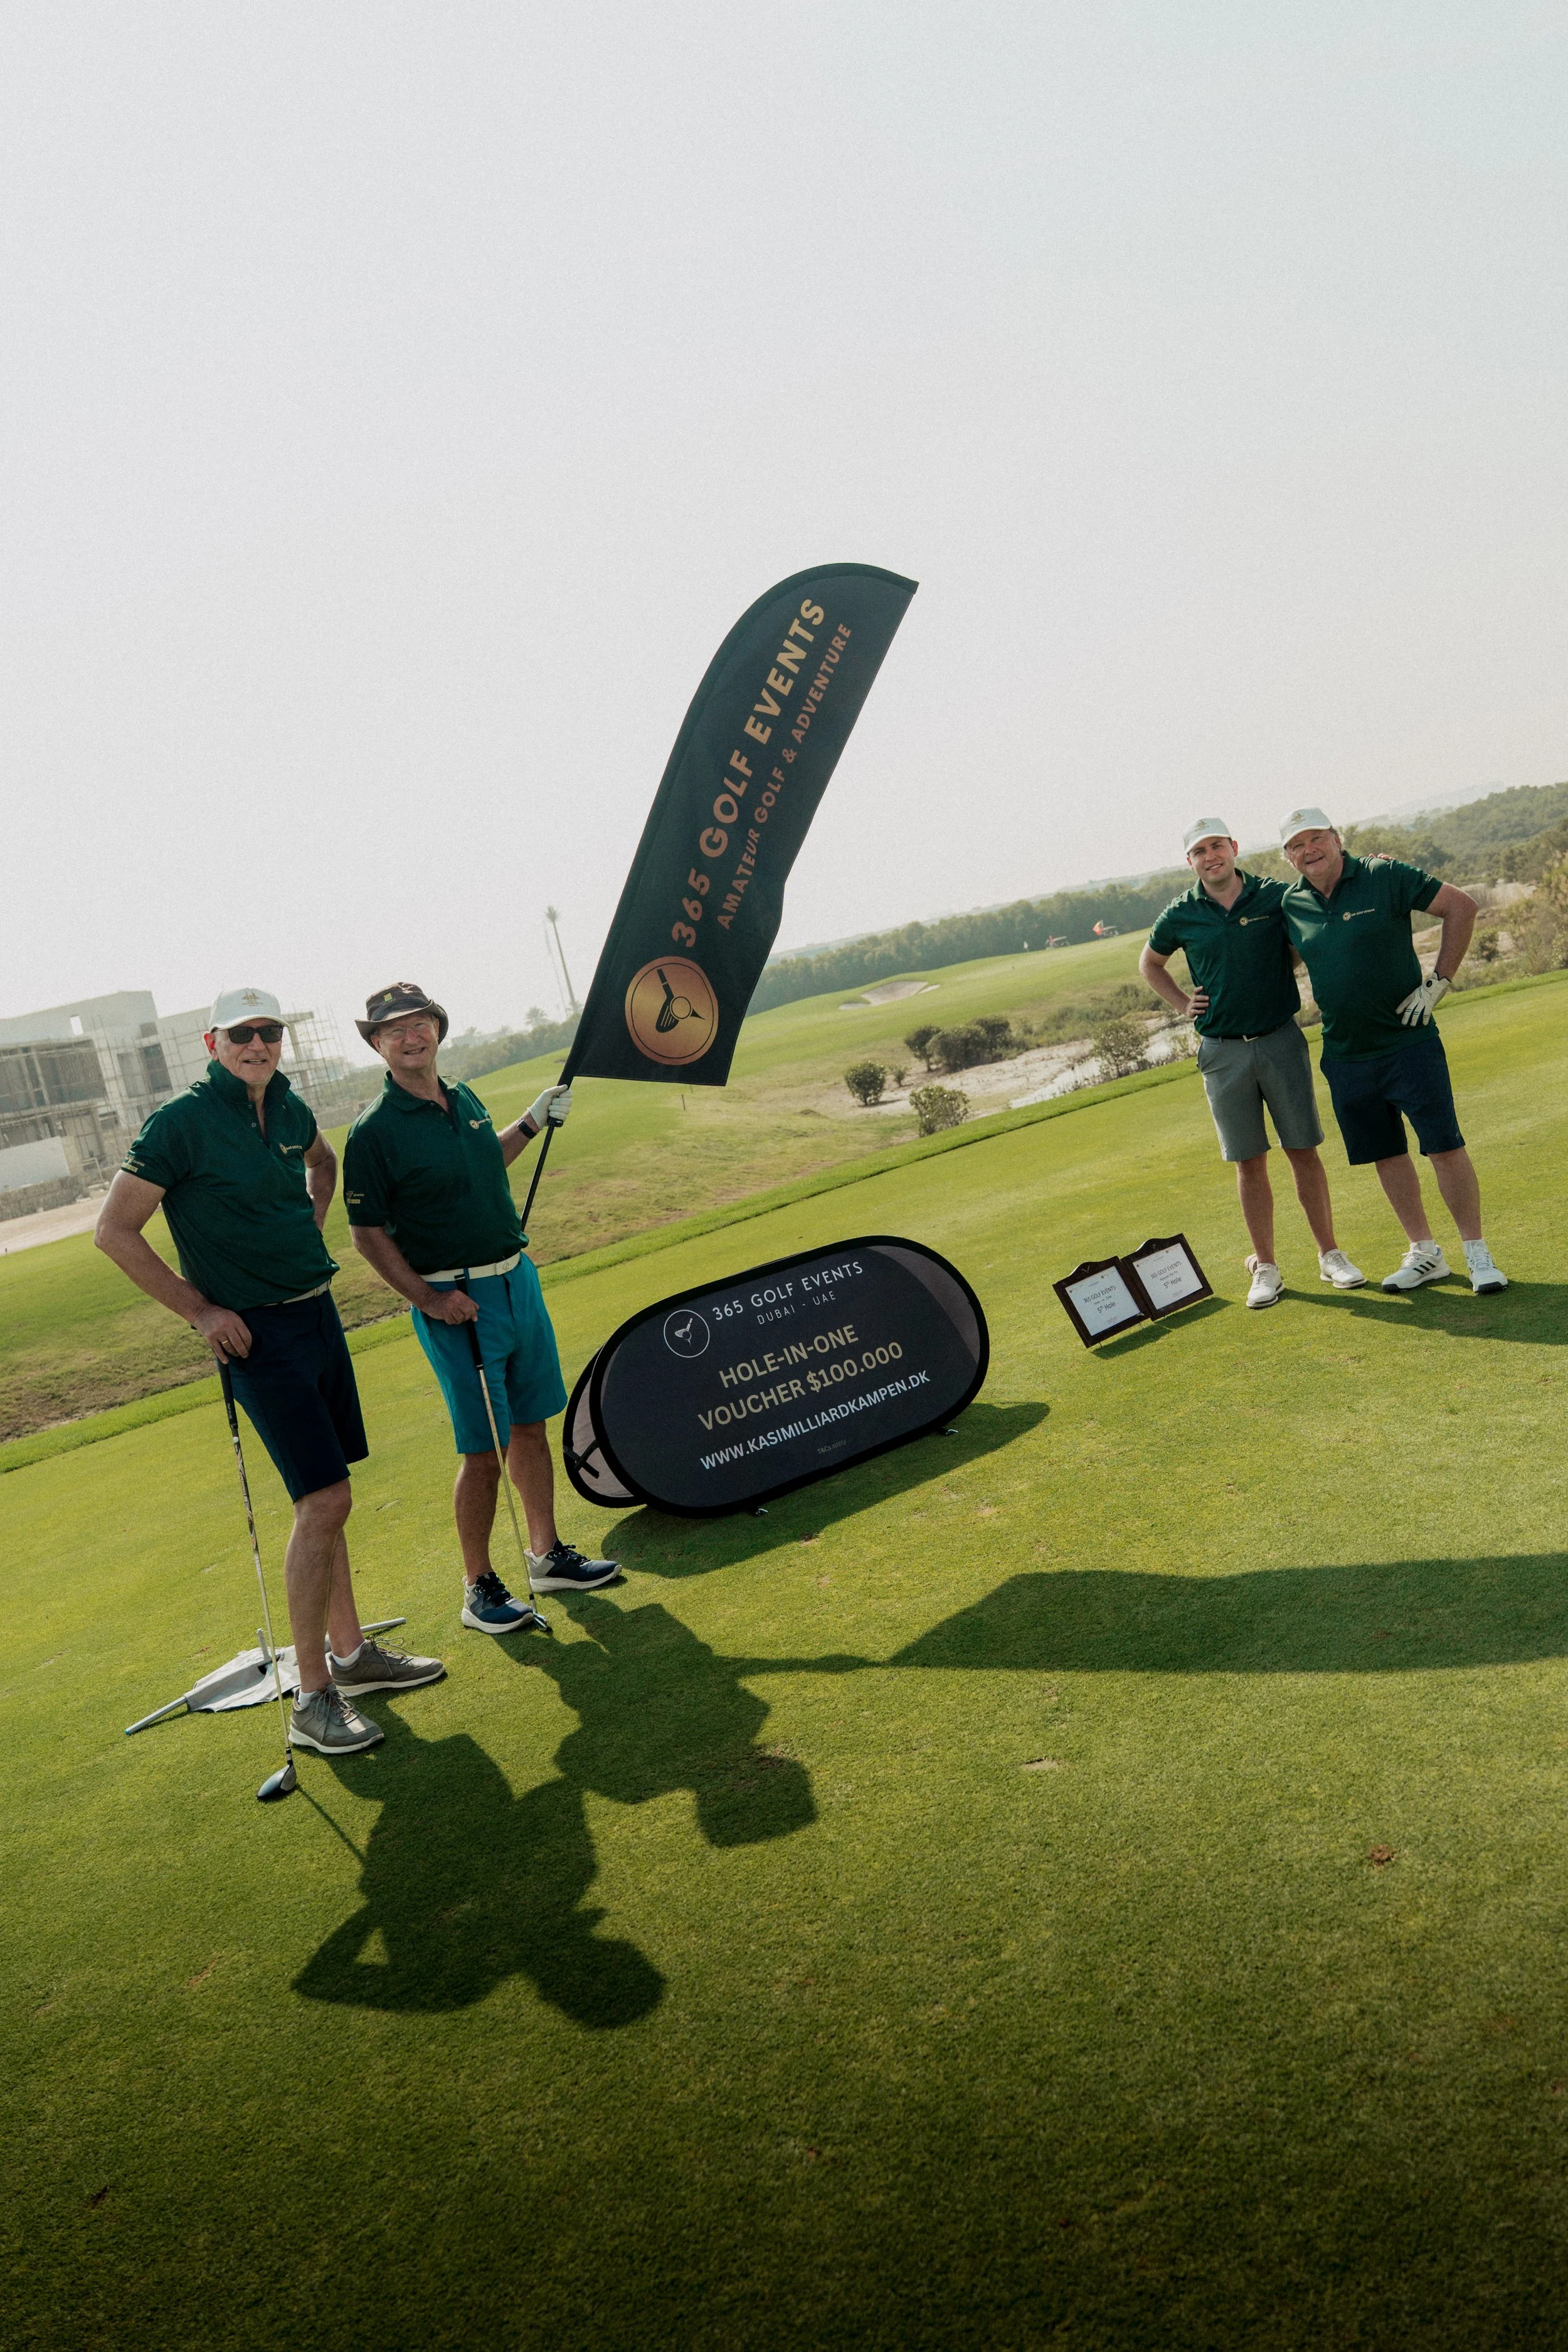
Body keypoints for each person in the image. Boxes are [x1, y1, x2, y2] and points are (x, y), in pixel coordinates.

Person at [95, 987, 444, 1758]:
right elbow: (113, 1231)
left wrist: (308, 1221)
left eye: (271, 1032)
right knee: (324, 1500)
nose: (259, 1044)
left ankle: (351, 1657)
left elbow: (324, 1163)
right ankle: (312, 1699)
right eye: (244, 1033)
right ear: (214, 1043)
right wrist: (201, 1313)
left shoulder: (286, 1107)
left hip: (316, 1314)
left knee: (331, 1498)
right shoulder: (180, 1123)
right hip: (254, 1334)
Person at [341, 982, 618, 1633]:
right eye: (394, 1031)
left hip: (516, 1282)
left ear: (438, 1028)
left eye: (420, 1024)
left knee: (529, 1426)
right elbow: (366, 1233)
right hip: (456, 1301)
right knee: (482, 1452)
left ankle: (546, 1554)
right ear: (377, 1045)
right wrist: (429, 1300)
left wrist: (529, 1121)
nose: (411, 1037)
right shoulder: (374, 1131)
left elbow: (484, 1165)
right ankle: (479, 1587)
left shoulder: (459, 1097)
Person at [1277, 807, 1506, 1295]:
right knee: (1387, 1154)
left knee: (1445, 1147)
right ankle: (1425, 1253)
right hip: (1345, 1054)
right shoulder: (1290, 903)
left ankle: (1477, 1252)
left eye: (1316, 838)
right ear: (1288, 857)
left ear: (1337, 839)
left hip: (1408, 1043)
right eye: (1296, 845)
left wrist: (1439, 982)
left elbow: (1461, 906)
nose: (1308, 850)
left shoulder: (1385, 874)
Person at [1140, 819, 1364, 1308]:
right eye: (1200, 850)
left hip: (1280, 1039)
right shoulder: (1181, 913)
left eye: (1217, 845)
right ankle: (1266, 1268)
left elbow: (1318, 913)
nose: (1211, 856)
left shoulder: (1273, 896)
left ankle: (1330, 1255)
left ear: (1234, 848)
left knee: (1303, 1149)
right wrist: (1183, 1005)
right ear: (1191, 862)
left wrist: (1376, 867)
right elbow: (1150, 964)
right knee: (1249, 1161)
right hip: (1222, 1050)